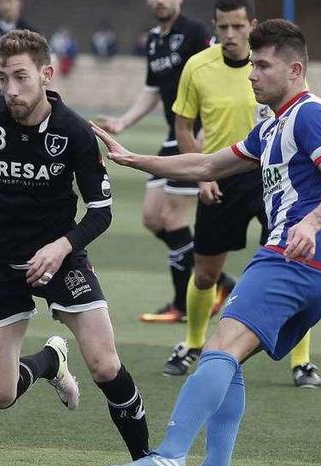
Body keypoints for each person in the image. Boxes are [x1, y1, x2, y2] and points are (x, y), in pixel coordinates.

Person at [94, 18, 321, 466]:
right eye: (251, 64)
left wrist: (311, 222)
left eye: (262, 65)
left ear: (295, 70)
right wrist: (135, 159)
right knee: (227, 355)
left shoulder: (309, 115)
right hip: (318, 268)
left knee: (217, 351)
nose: (252, 74)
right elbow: (208, 163)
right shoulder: (274, 122)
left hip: (292, 258)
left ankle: (169, 456)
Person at [0, 29, 151, 463]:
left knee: (104, 364)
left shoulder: (76, 133)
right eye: (2, 77)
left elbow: (101, 211)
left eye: (21, 77)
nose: (11, 89)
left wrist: (62, 247)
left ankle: (147, 461)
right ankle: (49, 361)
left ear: (47, 73)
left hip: (60, 258)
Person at [167, 0, 320, 387]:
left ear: (251, 25)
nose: (231, 35)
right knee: (205, 273)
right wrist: (202, 175)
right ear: (215, 27)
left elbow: (300, 116)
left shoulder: (274, 65)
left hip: (272, 176)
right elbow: (183, 126)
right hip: (222, 175)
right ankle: (193, 342)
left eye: (238, 27)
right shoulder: (198, 67)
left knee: (292, 267)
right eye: (223, 27)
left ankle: (301, 362)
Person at [95, 0, 219, 326]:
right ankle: (216, 281)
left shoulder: (195, 32)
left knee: (173, 217)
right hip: (172, 133)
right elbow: (153, 89)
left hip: (194, 133)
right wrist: (123, 123)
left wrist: (206, 131)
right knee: (152, 218)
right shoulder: (153, 38)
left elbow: (217, 78)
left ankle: (184, 304)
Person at [0, 0, 35, 93]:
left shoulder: (28, 29)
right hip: (3, 83)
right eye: (2, 2)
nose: (6, 6)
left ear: (19, 3)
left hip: (22, 84)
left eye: (10, 2)